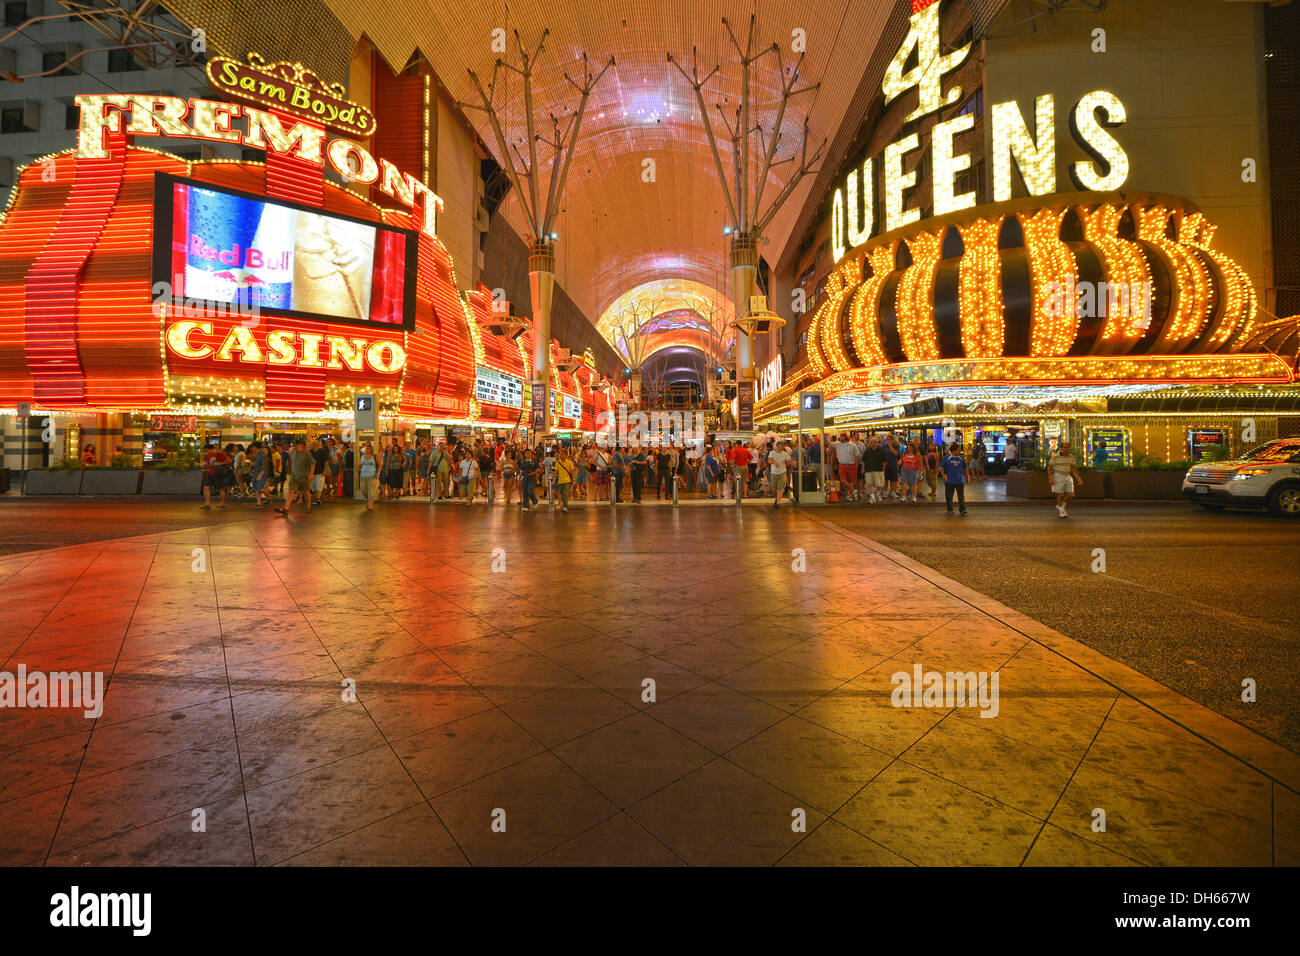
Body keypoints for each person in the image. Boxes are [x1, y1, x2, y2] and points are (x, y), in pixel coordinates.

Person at [276, 439, 314, 515]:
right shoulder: (293, 453)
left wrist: (311, 474)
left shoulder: (306, 453)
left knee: (306, 491)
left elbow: (313, 463)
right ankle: (285, 508)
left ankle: (308, 506)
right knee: (291, 491)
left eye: (296, 445)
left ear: (301, 445)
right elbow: (291, 462)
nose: (294, 446)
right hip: (294, 476)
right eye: (294, 445)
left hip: (303, 476)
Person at [1049, 440, 1084, 518]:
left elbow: (1074, 468)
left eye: (1068, 447)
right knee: (1060, 494)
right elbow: (1050, 467)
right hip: (1058, 475)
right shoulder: (1055, 457)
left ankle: (1060, 505)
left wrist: (1078, 478)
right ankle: (1061, 511)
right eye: (1065, 447)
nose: (1066, 449)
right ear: (1061, 448)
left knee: (1071, 494)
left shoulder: (1071, 457)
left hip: (1067, 475)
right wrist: (1050, 478)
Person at [200, 443, 233, 509]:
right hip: (211, 472)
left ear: (211, 449)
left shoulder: (220, 454)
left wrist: (220, 463)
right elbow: (209, 464)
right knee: (206, 487)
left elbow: (229, 461)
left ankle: (222, 503)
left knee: (221, 488)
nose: (207, 452)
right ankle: (207, 503)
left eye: (207, 450)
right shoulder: (209, 456)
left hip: (218, 473)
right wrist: (205, 465)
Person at [940, 442, 969, 516]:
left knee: (961, 496)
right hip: (949, 480)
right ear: (954, 450)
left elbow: (965, 468)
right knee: (949, 496)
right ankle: (949, 509)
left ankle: (962, 509)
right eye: (958, 450)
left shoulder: (961, 458)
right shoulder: (947, 458)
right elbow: (941, 468)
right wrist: (944, 475)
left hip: (959, 480)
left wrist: (966, 476)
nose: (960, 451)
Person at [833, 433, 860, 502]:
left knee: (852, 481)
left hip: (852, 465)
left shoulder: (853, 445)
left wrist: (856, 465)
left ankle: (849, 496)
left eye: (841, 437)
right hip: (842, 465)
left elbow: (857, 456)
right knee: (843, 480)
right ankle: (853, 491)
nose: (839, 438)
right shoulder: (838, 444)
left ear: (845, 438)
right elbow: (830, 444)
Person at [861, 436, 887, 504]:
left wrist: (884, 468)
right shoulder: (867, 450)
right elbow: (864, 461)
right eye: (871, 442)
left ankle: (877, 495)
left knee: (879, 484)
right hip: (869, 470)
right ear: (869, 443)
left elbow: (884, 461)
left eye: (874, 442)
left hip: (878, 470)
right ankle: (872, 497)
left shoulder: (880, 450)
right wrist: (863, 469)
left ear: (876, 442)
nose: (872, 443)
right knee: (870, 484)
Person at [768, 441, 793, 509]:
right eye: (781, 446)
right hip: (774, 473)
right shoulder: (772, 453)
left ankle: (778, 503)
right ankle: (777, 499)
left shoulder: (785, 453)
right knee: (774, 489)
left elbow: (789, 460)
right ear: (777, 446)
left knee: (780, 488)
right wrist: (774, 462)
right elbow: (769, 461)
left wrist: (792, 462)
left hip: (782, 472)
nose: (783, 447)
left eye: (783, 446)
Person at [357, 440, 380, 510]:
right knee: (363, 490)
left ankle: (370, 504)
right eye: (365, 448)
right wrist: (357, 473)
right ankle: (370, 499)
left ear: (371, 449)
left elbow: (380, 465)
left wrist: (378, 473)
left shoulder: (375, 456)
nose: (366, 450)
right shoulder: (363, 456)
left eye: (368, 448)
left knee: (370, 491)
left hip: (371, 476)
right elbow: (359, 465)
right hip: (363, 476)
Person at [554, 446, 575, 512]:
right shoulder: (558, 463)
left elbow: (572, 472)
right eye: (560, 454)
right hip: (560, 481)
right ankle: (562, 504)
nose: (560, 455)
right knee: (560, 493)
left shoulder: (569, 462)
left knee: (565, 494)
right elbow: (556, 472)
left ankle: (565, 506)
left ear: (566, 455)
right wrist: (554, 479)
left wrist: (573, 480)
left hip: (567, 481)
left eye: (562, 454)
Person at [519, 447, 539, 512]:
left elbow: (538, 469)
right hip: (524, 478)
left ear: (531, 454)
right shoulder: (523, 462)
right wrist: (519, 479)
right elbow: (521, 471)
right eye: (526, 453)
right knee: (524, 492)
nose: (528, 454)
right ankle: (526, 506)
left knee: (530, 491)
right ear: (524, 454)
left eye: (529, 453)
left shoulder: (534, 461)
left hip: (532, 478)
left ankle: (535, 501)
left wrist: (533, 473)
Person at [309, 438, 328, 506]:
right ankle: (313, 498)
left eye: (315, 443)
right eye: (312, 444)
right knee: (312, 485)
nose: (313, 445)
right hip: (311, 472)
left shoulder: (322, 451)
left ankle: (318, 498)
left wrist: (325, 470)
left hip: (320, 471)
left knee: (319, 485)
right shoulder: (310, 452)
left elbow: (326, 461)